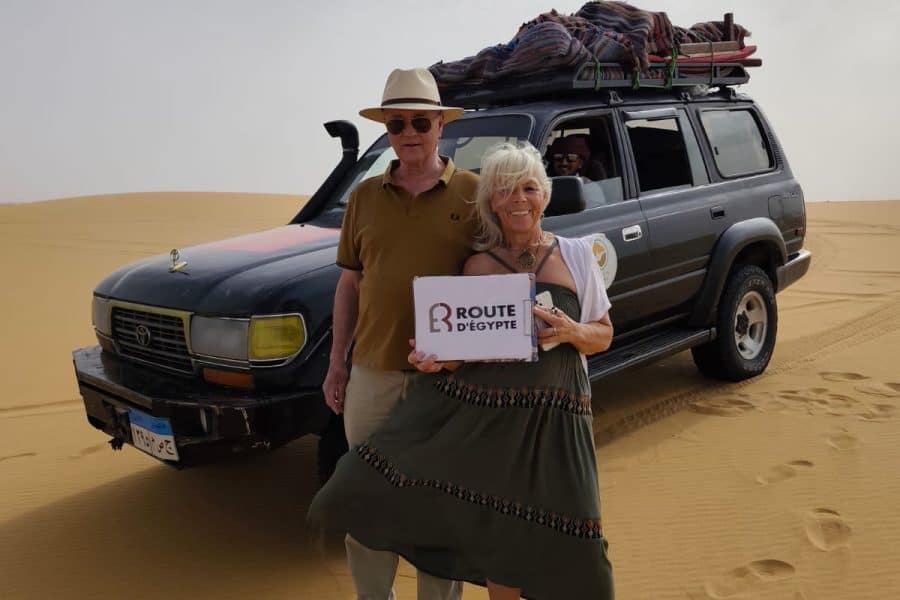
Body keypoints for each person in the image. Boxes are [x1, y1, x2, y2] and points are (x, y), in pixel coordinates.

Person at [311, 141, 615, 600]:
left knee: (575, 536)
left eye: (528, 188)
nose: (518, 199)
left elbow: (604, 334)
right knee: (501, 535)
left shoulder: (575, 255)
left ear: (545, 195)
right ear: (490, 201)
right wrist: (437, 357)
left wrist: (572, 331)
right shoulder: (476, 266)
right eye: (505, 190)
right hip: (494, 420)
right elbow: (467, 349)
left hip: (560, 420)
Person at [321, 66, 478, 600]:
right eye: (397, 124)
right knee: (368, 496)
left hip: (449, 382)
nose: (409, 133)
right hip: (373, 373)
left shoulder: (475, 194)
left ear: (440, 125)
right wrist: (337, 361)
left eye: (419, 122)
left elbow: (504, 280)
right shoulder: (363, 197)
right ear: (387, 130)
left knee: (441, 501)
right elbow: (350, 282)